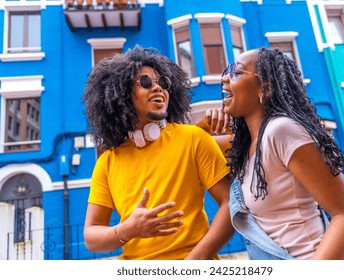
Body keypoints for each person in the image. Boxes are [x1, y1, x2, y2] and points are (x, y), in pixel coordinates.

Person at [198, 47, 344, 260]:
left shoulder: (282, 131)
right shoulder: (248, 145)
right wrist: (204, 123)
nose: (224, 79)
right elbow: (195, 146)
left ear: (265, 89)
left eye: (236, 73)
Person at [82, 45, 235, 260]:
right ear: (123, 94)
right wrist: (127, 230)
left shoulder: (193, 138)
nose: (158, 88)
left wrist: (195, 261)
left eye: (163, 83)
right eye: (146, 82)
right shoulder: (107, 162)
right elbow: (91, 237)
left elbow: (231, 203)